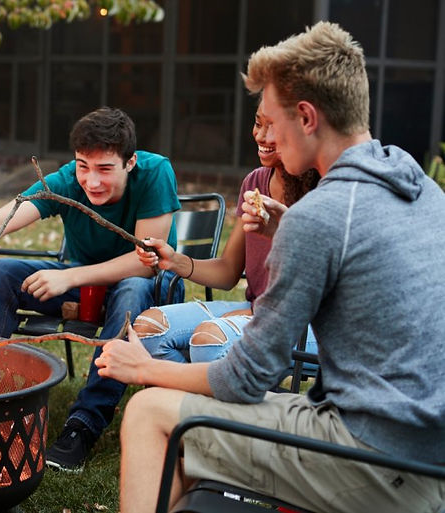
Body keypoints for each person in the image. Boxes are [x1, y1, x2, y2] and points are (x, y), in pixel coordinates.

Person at [96, 22, 445, 513]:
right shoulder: (420, 187)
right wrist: (289, 233)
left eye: (270, 121)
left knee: (148, 412)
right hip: (430, 455)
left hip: (374, 462)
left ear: (305, 117)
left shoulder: (321, 214)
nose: (266, 137)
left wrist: (144, 368)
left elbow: (246, 378)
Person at [0, 107, 182, 471]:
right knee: (0, 273)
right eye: (83, 166)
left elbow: (146, 261)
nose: (91, 181)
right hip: (83, 286)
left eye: (105, 169)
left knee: (131, 291)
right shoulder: (65, 181)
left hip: (150, 289)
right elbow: (5, 215)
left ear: (130, 163)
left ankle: (84, 424)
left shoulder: (156, 172)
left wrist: (69, 277)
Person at [132, 99, 320, 364]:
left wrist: (255, 316)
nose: (260, 136)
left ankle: (209, 400)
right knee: (149, 329)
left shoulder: (324, 190)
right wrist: (174, 260)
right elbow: (228, 271)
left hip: (309, 325)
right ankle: (196, 401)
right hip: (256, 310)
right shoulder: (255, 182)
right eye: (258, 123)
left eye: (273, 127)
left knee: (210, 340)